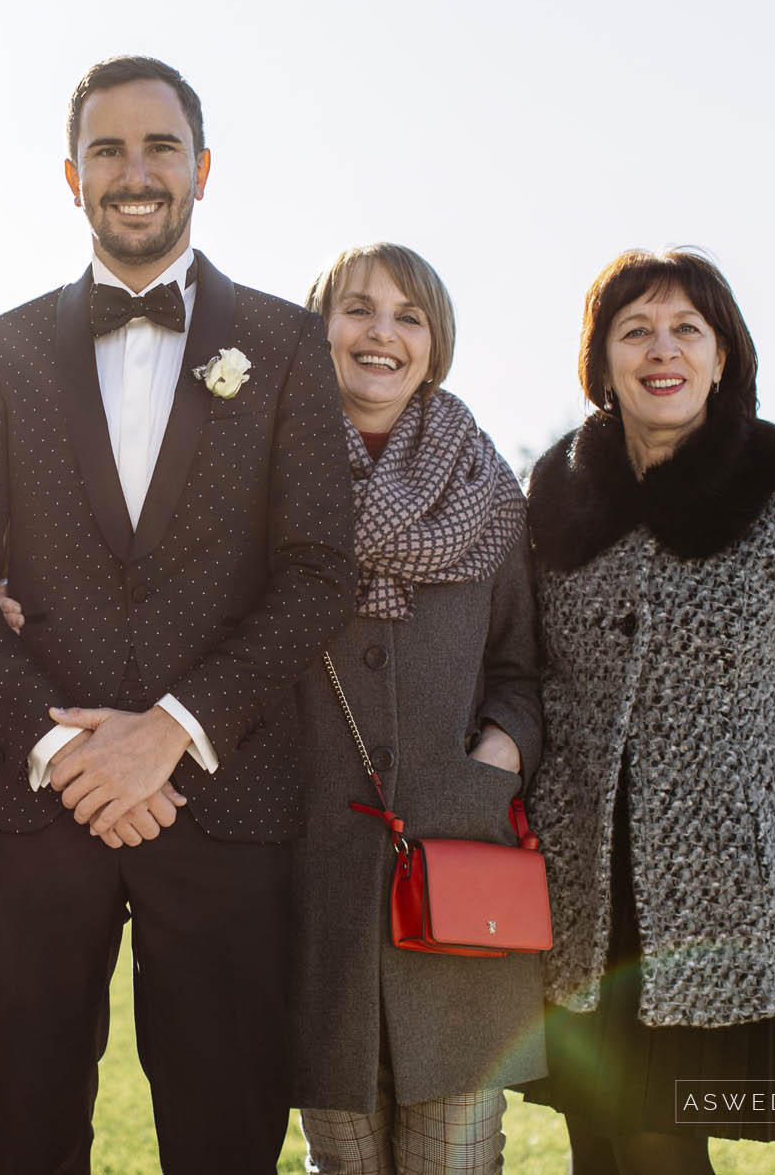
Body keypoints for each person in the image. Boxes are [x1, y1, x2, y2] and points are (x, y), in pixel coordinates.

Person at [0, 55, 356, 1174]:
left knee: (224, 1130)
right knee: (25, 1129)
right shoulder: (1, 352)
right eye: (106, 149)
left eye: (158, 146)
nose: (134, 171)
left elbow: (316, 571)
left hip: (225, 798)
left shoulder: (286, 347)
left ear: (200, 168)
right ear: (71, 178)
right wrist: (65, 748)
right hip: (31, 810)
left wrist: (171, 726)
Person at [523, 248, 775, 1173]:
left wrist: (767, 798)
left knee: (656, 1143)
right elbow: (530, 664)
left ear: (724, 356)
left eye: (688, 328)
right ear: (600, 359)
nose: (662, 349)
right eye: (634, 330)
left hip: (728, 887)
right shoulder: (556, 494)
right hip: (577, 889)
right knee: (597, 1137)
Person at [288, 244, 543, 1174]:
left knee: (457, 1161)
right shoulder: (264, 484)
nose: (381, 333)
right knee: (343, 1162)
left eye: (409, 316)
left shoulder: (490, 494)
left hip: (459, 865)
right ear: (317, 332)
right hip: (313, 882)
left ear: (435, 347)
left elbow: (524, 667)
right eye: (358, 309)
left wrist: (500, 752)